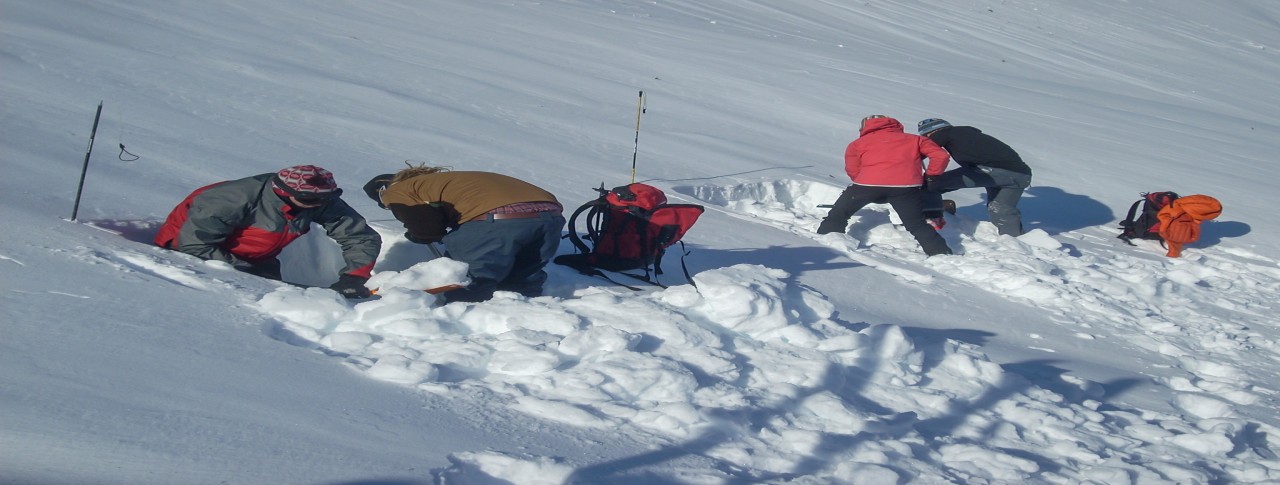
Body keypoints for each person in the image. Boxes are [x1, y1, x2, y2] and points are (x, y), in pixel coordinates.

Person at [154, 165, 381, 299]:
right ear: (283, 191)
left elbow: (359, 236)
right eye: (310, 199)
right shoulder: (230, 199)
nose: (318, 205)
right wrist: (243, 269)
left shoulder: (319, 200)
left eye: (326, 199)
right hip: (191, 260)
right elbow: (192, 245)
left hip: (258, 259)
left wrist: (353, 277)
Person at [363, 165, 565, 303]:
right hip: (550, 216)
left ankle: (466, 323)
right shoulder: (445, 182)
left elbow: (425, 226)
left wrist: (421, 235)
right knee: (522, 276)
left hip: (496, 219)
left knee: (469, 278)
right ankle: (523, 317)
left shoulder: (397, 190)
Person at [817, 115, 953, 256]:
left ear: (865, 127)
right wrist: (931, 175)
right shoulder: (915, 139)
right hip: (905, 189)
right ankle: (941, 253)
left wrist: (867, 180)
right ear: (895, 125)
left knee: (838, 215)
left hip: (865, 186)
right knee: (916, 224)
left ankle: (823, 246)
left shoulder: (858, 143)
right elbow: (941, 156)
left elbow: (852, 168)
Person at [917, 118, 1033, 236]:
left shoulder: (945, 133)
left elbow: (923, 151)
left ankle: (932, 216)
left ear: (931, 133)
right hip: (1020, 175)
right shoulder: (965, 135)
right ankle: (1015, 240)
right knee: (1000, 209)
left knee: (933, 183)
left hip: (992, 171)